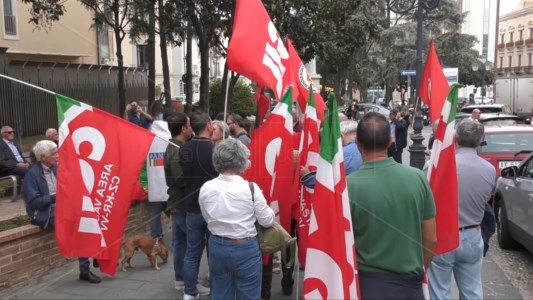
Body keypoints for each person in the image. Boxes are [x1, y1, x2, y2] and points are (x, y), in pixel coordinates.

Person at [347, 112, 437, 299]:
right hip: (409, 284)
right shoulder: (418, 178)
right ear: (390, 141)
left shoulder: (347, 186)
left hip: (367, 286)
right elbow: (431, 239)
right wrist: (420, 271)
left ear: (357, 144)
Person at [428, 120, 496, 300]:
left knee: (439, 291)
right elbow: (487, 197)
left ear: (455, 136)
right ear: (481, 140)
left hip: (442, 234)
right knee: (472, 290)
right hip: (472, 233)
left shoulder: (436, 166)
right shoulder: (489, 170)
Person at [199, 138, 275, 300]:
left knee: (220, 293)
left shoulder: (206, 187)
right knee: (249, 295)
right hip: (245, 248)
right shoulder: (251, 189)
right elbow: (267, 221)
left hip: (217, 245)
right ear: (242, 160)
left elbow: (207, 217)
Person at [23, 140, 101, 283]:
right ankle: (85, 270)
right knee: (79, 225)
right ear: (44, 157)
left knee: (92, 213)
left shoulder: (56, 168)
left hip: (62, 207)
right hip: (44, 212)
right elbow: (34, 203)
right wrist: (56, 197)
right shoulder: (32, 174)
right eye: (54, 153)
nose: (58, 155)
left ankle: (98, 255)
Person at [179, 112, 217, 300]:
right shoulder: (216, 150)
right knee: (214, 251)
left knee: (192, 251)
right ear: (208, 125)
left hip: (192, 205)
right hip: (213, 209)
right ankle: (216, 288)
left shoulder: (184, 148)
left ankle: (189, 292)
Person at [164, 112, 193, 291]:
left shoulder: (173, 146)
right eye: (189, 124)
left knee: (180, 243)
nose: (191, 128)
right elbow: (180, 178)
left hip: (177, 202)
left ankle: (181, 279)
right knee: (190, 245)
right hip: (181, 203)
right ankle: (189, 283)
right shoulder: (178, 149)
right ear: (183, 128)